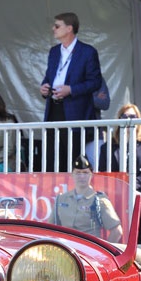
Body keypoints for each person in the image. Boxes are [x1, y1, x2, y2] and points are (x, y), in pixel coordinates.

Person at [39, 12, 103, 171]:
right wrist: (44, 87)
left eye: (57, 26)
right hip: (54, 109)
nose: (53, 29)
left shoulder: (87, 52)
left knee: (72, 159)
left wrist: (71, 90)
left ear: (69, 28)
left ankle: (72, 192)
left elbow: (95, 82)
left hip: (76, 112)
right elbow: (49, 76)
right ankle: (53, 193)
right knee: (51, 158)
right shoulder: (54, 52)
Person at [52, 155, 122, 242]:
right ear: (72, 175)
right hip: (66, 250)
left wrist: (103, 253)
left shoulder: (99, 201)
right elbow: (50, 229)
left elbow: (117, 231)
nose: (81, 176)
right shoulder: (61, 199)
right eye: (78, 173)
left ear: (91, 175)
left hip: (88, 251)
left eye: (85, 173)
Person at [101, 103, 141, 194]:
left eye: (132, 116)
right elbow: (104, 172)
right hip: (115, 193)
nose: (128, 120)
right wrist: (119, 188)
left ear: (138, 120)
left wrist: (131, 187)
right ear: (119, 120)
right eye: (124, 116)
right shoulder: (107, 147)